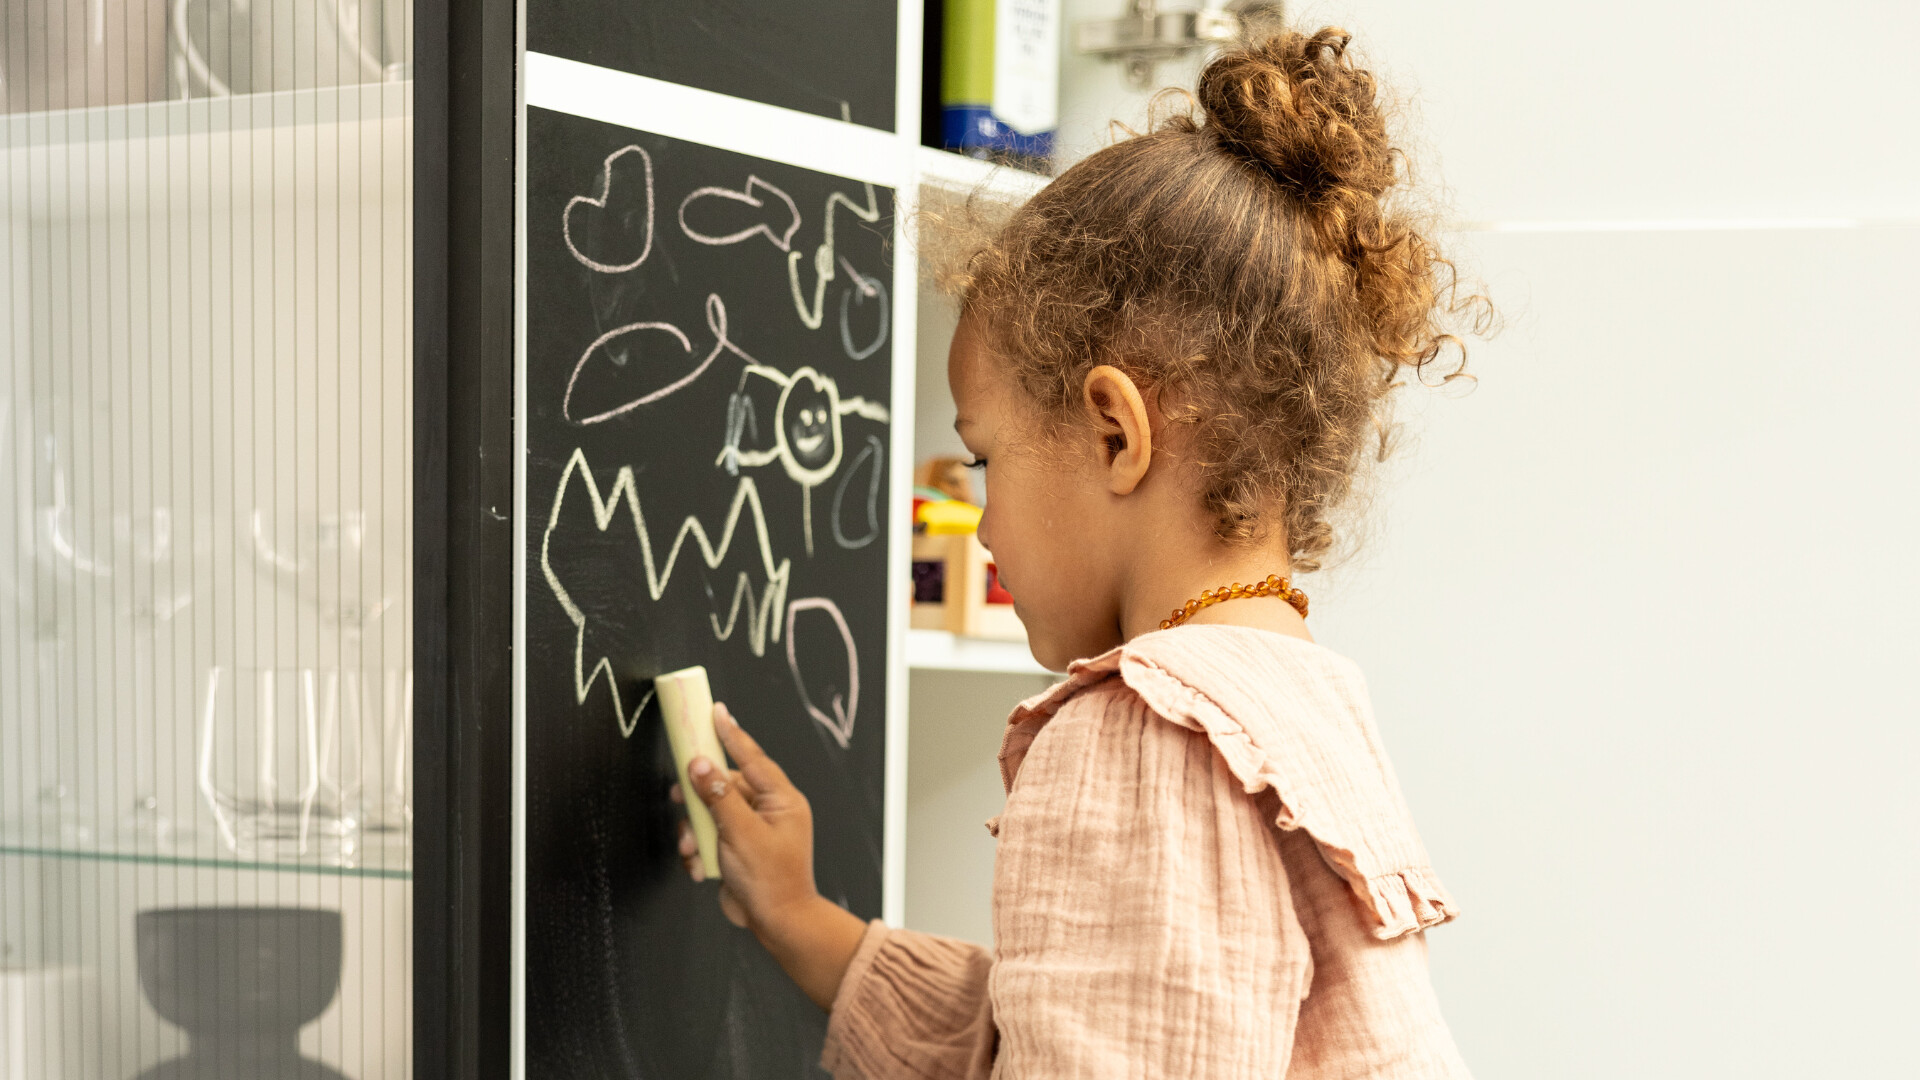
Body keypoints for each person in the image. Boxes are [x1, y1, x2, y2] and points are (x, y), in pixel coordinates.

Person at [671, 25, 1488, 1078]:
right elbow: (1083, 1022)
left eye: (984, 463)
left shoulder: (1141, 735)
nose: (981, 521)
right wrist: (798, 917)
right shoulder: (1294, 704)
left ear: (1116, 434)